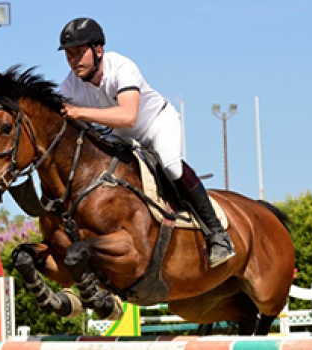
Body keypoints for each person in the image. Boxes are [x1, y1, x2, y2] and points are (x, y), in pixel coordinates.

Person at [58, 17, 235, 267]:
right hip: (117, 135)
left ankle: (218, 234)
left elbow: (128, 116)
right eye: (69, 54)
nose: (74, 60)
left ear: (98, 50)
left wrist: (79, 112)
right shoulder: (69, 84)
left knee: (171, 165)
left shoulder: (121, 67)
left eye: (79, 52)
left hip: (155, 124)